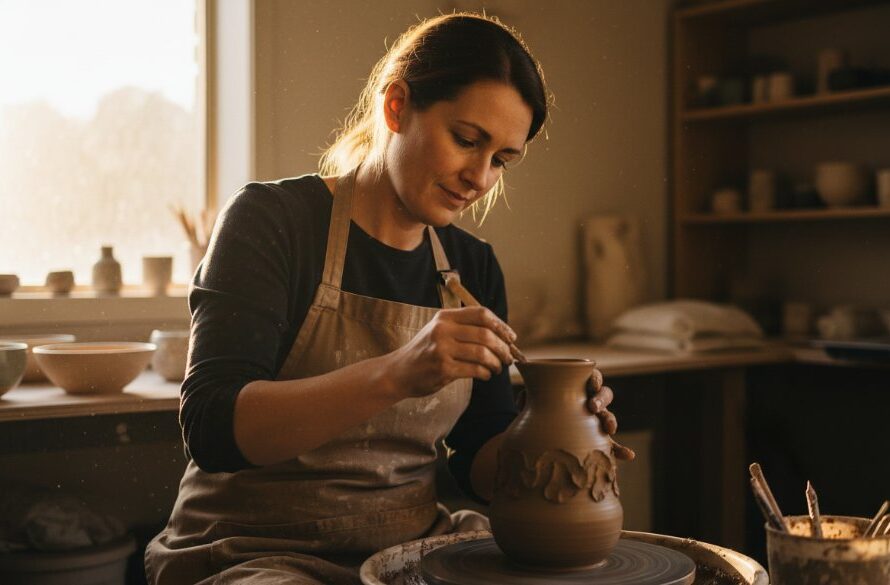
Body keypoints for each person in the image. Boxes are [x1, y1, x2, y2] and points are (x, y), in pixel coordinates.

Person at [145, 12, 632, 585]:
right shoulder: (271, 222)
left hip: (407, 549)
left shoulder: (473, 267)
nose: (479, 177)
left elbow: (480, 460)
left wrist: (562, 436)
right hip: (252, 550)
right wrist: (399, 372)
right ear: (396, 106)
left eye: (500, 159)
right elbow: (212, 431)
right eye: (467, 140)